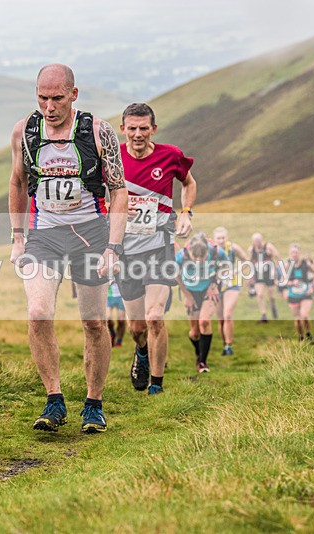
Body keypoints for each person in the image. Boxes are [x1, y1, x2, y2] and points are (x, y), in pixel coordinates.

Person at [8, 64, 127, 433]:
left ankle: (93, 403)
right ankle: (54, 399)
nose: (49, 107)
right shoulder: (25, 131)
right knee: (38, 313)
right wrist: (17, 237)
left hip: (90, 234)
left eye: (57, 98)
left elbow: (118, 190)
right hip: (44, 234)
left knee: (93, 322)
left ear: (74, 94)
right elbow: (17, 182)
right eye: (42, 98)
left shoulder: (98, 131)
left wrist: (113, 248)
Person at [116, 103, 195, 395]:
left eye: (143, 128)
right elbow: (96, 196)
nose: (138, 134)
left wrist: (186, 212)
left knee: (154, 317)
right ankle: (142, 352)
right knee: (137, 328)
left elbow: (189, 183)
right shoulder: (112, 158)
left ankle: (157, 385)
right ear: (123, 129)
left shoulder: (170, 155)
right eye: (132, 128)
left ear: (153, 129)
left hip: (159, 246)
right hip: (125, 250)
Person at [176, 233, 228, 374]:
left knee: (204, 322)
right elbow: (175, 274)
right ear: (190, 252)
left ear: (207, 252)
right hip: (191, 291)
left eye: (203, 258)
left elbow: (226, 266)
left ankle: (202, 362)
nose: (199, 261)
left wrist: (215, 283)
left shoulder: (216, 251)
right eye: (195, 258)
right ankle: (199, 352)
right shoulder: (182, 255)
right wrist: (187, 295)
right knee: (194, 333)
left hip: (209, 290)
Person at [213, 227, 248, 356]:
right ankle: (224, 344)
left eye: (223, 238)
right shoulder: (211, 250)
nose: (221, 240)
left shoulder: (233, 248)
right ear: (215, 239)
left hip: (232, 284)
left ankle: (229, 345)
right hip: (216, 286)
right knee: (220, 318)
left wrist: (236, 271)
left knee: (227, 314)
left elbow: (246, 261)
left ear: (226, 238)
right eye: (218, 238)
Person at [282, 244, 314, 342]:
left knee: (304, 315)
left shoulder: (305, 264)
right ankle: (301, 336)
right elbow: (282, 280)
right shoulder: (287, 265)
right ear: (289, 254)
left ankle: (308, 333)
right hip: (293, 295)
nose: (294, 254)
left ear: (299, 253)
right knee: (297, 319)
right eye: (292, 252)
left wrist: (312, 286)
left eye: (296, 252)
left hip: (305, 294)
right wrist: (291, 283)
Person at [247, 233, 281, 322]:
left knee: (271, 295)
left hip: (269, 274)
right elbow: (250, 262)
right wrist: (250, 277)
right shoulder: (251, 249)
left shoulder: (268, 247)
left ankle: (273, 306)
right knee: (260, 294)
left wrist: (277, 271)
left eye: (258, 240)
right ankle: (264, 315)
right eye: (255, 241)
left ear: (261, 240)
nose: (257, 243)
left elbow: (278, 257)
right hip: (259, 275)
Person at [106, 279, 126, 348]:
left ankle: (119, 340)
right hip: (109, 295)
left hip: (121, 296)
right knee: (108, 318)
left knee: (121, 320)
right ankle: (112, 333)